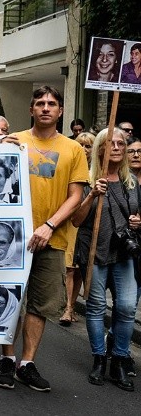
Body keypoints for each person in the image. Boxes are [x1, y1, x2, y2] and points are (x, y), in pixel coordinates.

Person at [0, 86, 88, 392]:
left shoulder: (73, 149)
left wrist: (49, 225)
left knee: (39, 305)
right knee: (11, 301)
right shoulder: (15, 141)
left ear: (60, 111)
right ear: (31, 110)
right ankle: (7, 359)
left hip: (52, 239)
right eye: (40, 104)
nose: (46, 108)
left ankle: (27, 363)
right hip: (12, 239)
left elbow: (76, 196)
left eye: (51, 104)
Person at [71, 128, 138, 391]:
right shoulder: (87, 180)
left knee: (127, 307)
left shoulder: (131, 183)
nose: (118, 147)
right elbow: (76, 220)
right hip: (95, 254)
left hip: (123, 256)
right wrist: (91, 195)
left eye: (122, 143)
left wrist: (137, 222)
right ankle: (99, 359)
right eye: (111, 142)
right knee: (97, 308)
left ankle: (119, 361)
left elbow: (137, 216)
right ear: (100, 148)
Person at [61, 131, 96, 326]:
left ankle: (72, 305)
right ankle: (67, 307)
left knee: (80, 268)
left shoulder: (97, 171)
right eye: (80, 145)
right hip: (69, 221)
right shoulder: (70, 166)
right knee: (69, 268)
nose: (84, 149)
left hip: (87, 224)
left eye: (88, 146)